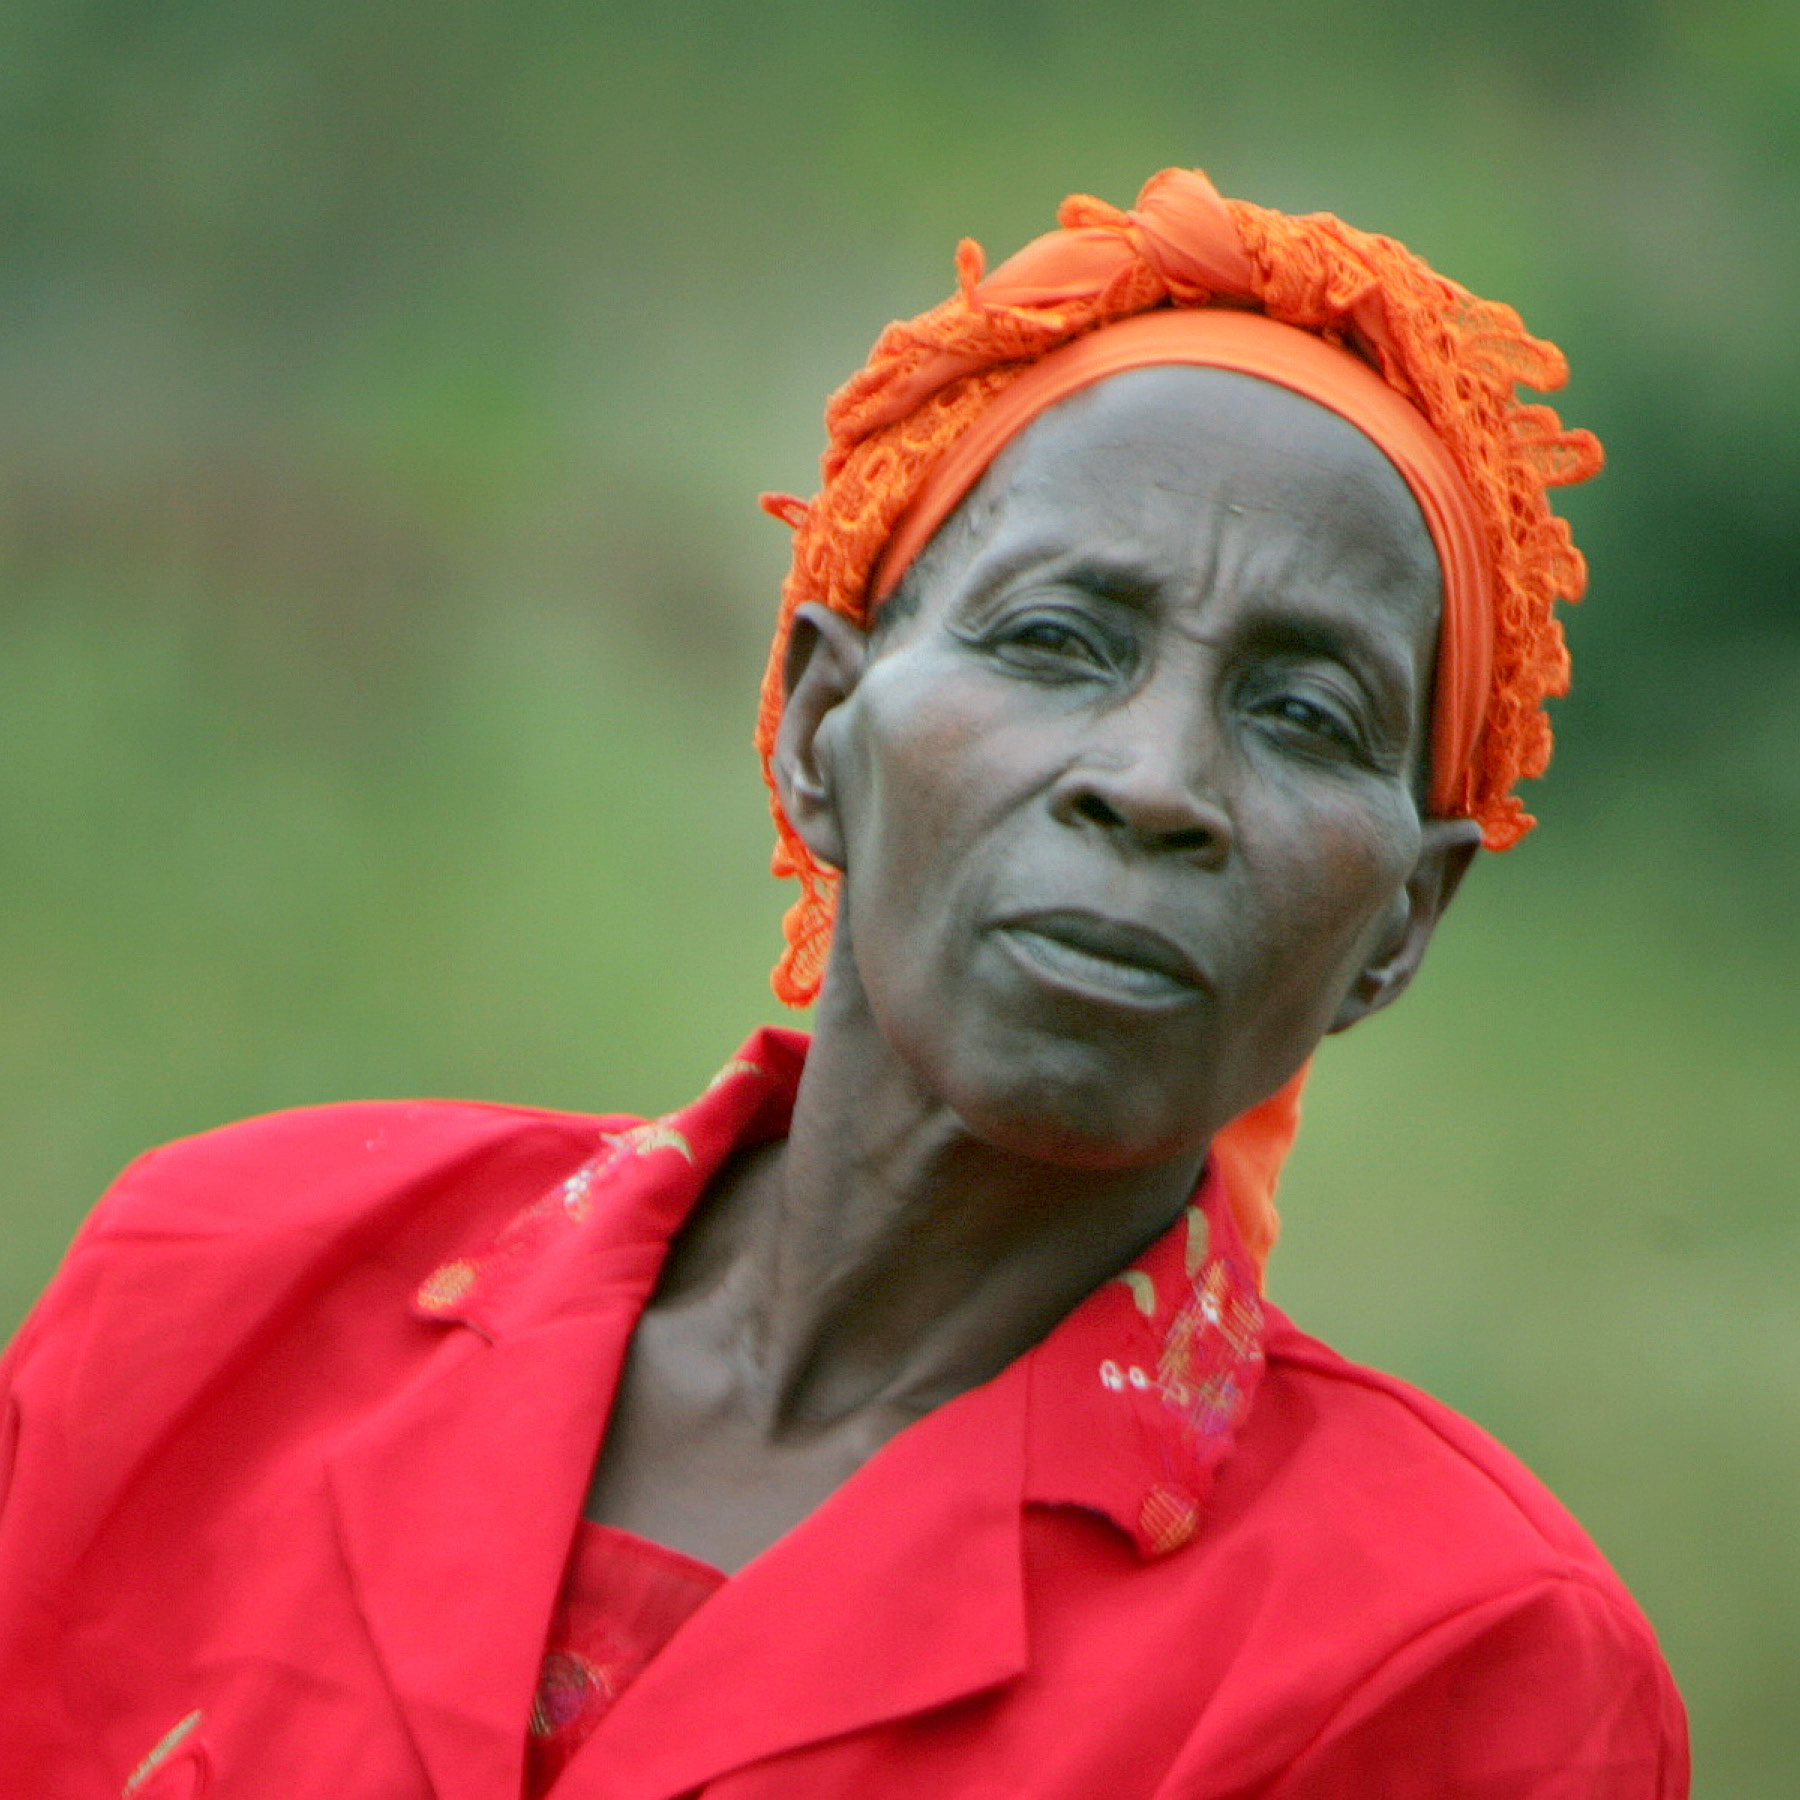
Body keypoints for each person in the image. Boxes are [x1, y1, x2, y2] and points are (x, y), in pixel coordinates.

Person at [0, 169, 1687, 1798]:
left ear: (1401, 921)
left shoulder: (1450, 1657)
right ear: (819, 729)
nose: (1158, 780)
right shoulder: (217, 1295)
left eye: (1305, 716)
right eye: (1056, 639)